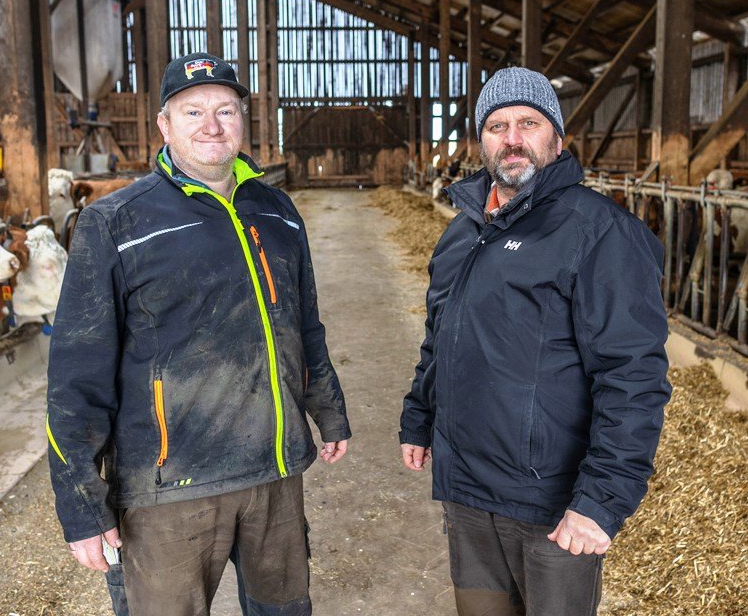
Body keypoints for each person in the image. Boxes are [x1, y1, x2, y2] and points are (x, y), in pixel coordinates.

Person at [47, 51, 351, 616]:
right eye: (192, 112)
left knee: (284, 608)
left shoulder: (277, 211)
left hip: (273, 471)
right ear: (164, 126)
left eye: (225, 110)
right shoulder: (115, 223)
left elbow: (303, 324)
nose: (211, 125)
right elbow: (76, 373)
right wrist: (80, 503)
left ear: (243, 121)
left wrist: (327, 411)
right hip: (170, 486)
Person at [399, 66, 672, 616]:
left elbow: (632, 376)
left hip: (551, 507)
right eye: (497, 126)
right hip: (467, 493)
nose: (513, 138)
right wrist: (420, 417)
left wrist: (600, 502)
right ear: (481, 142)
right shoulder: (462, 233)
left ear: (558, 139)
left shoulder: (599, 232)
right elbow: (441, 338)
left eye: (529, 122)